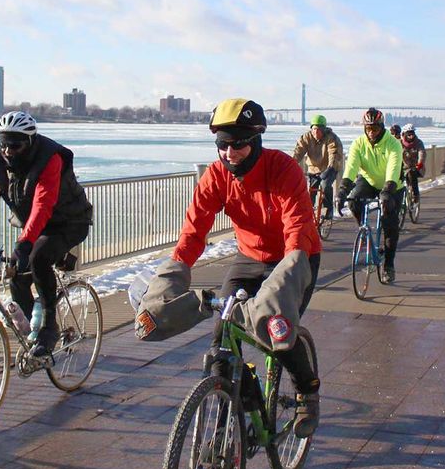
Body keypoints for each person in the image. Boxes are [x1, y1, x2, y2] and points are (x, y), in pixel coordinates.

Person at [134, 98, 322, 437]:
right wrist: (171, 276)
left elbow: (297, 226)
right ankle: (221, 424)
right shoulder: (217, 176)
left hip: (295, 256)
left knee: (277, 329)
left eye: (238, 144)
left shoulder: (283, 169)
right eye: (222, 144)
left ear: (256, 141)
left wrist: (289, 271)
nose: (229, 153)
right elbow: (193, 233)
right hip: (249, 258)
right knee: (220, 343)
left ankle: (307, 389)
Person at [0, 110, 93, 362]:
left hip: (69, 222)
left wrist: (24, 244)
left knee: (38, 258)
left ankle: (49, 328)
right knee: (17, 279)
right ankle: (32, 335)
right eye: (4, 144)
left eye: (15, 145)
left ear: (31, 142)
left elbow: (43, 205)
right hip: (36, 227)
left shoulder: (50, 158)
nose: (9, 151)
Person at [336, 107, 404, 282]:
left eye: (375, 128)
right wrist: (343, 189)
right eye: (368, 129)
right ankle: (363, 230)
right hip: (368, 180)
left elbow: (393, 168)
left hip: (392, 184)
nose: (371, 132)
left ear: (382, 127)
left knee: (390, 222)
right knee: (353, 201)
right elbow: (351, 167)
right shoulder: (359, 143)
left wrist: (388, 191)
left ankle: (389, 265)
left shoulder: (393, 143)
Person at [291, 114, 343, 220]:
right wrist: (291, 164)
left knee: (325, 185)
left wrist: (330, 168)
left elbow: (334, 153)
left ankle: (328, 209)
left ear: (323, 130)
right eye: (314, 129)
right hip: (313, 168)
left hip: (329, 168)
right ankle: (308, 213)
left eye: (318, 129)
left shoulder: (331, 138)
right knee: (311, 191)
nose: (316, 132)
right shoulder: (306, 137)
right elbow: (298, 152)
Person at [400, 123, 426, 201]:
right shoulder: (399, 143)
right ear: (404, 134)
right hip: (402, 167)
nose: (411, 136)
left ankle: (415, 195)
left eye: (412, 133)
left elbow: (422, 153)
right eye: (409, 134)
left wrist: (420, 163)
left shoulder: (418, 143)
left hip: (416, 167)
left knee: (411, 174)